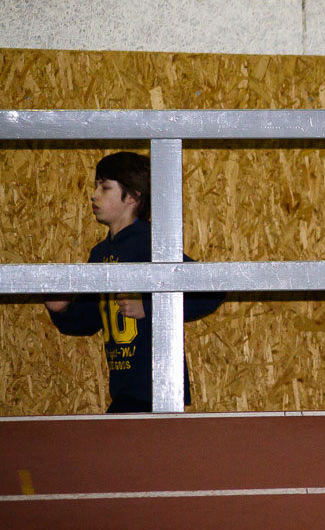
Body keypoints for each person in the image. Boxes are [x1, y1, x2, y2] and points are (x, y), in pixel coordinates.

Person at [44, 152, 224, 413]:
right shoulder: (100, 254)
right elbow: (88, 319)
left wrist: (149, 307)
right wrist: (61, 310)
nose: (94, 195)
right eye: (96, 186)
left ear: (133, 197)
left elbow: (211, 290)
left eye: (105, 187)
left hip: (158, 390)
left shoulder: (151, 243)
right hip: (125, 391)